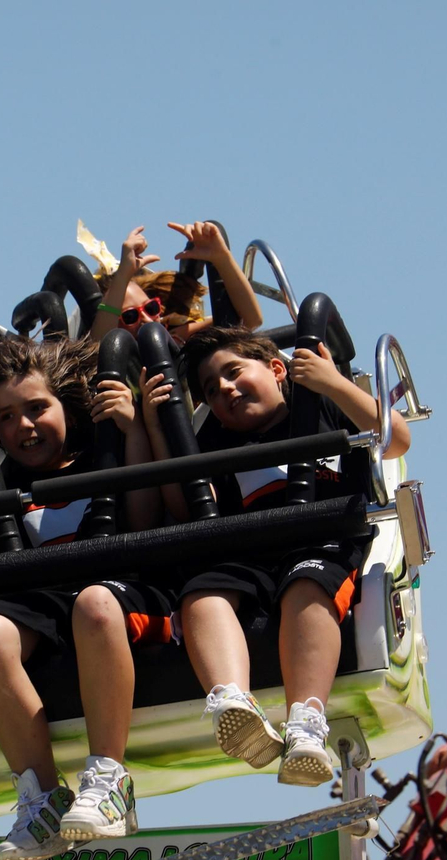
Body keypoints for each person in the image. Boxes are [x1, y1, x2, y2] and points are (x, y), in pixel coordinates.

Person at [142, 325, 411, 785]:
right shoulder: (219, 443)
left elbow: (396, 439)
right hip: (249, 553)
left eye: (233, 373)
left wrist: (330, 380)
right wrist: (157, 427)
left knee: (306, 587)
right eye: (211, 388)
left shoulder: (323, 407)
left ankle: (305, 724)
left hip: (319, 545)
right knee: (202, 595)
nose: (224, 389)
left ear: (277, 368)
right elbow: (184, 505)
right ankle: (232, 702)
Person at [0, 336, 170, 860]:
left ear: (66, 404)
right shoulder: (9, 485)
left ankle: (109, 781)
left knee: (93, 603)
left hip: (121, 593)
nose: (23, 426)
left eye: (36, 408)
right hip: (47, 599)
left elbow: (142, 521)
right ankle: (44, 802)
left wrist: (133, 429)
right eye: (6, 416)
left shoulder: (104, 454)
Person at [86, 221, 264, 341]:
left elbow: (250, 320)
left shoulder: (176, 338)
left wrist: (221, 257)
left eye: (151, 308)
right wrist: (123, 274)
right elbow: (98, 347)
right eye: (130, 316)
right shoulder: (117, 367)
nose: (147, 320)